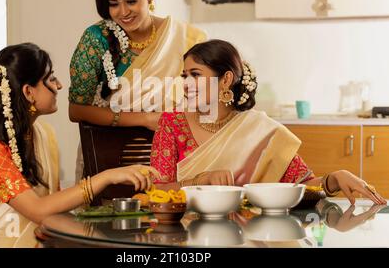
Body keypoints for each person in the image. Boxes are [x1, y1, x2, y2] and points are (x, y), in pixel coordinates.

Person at [0, 43, 159, 248]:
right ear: (29, 92)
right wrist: (107, 177)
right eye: (51, 79)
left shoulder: (42, 133)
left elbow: (54, 202)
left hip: (43, 233)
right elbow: (37, 209)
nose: (59, 85)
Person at [150, 39, 386, 206]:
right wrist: (198, 181)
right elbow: (156, 191)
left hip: (249, 233)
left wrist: (333, 179)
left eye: (196, 74)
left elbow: (300, 185)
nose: (186, 83)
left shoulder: (258, 130)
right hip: (185, 233)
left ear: (226, 80)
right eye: (184, 76)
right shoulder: (172, 123)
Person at [68, 0, 206, 181]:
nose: (123, 12)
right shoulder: (96, 40)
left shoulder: (185, 38)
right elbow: (76, 110)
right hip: (111, 160)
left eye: (131, 1)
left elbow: (205, 103)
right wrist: (144, 119)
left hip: (178, 157)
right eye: (113, 4)